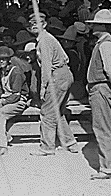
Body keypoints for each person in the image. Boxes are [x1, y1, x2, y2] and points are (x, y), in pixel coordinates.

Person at [27, 12, 79, 157]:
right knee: (58, 111)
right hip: (64, 74)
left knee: (47, 112)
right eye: (31, 24)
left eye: (37, 23)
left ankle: (47, 147)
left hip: (57, 75)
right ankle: (70, 143)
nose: (33, 26)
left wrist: (43, 87)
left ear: (44, 25)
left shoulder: (44, 40)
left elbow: (46, 66)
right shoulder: (46, 39)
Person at [85, 9, 111, 179]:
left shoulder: (106, 44)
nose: (92, 27)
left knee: (103, 128)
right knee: (102, 127)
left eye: (96, 24)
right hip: (100, 87)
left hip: (102, 88)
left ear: (104, 26)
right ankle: (107, 166)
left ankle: (108, 168)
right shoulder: (104, 42)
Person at [0, 46, 29, 157]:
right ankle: (5, 136)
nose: (1, 61)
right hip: (6, 98)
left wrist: (1, 104)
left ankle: (1, 147)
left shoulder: (15, 72)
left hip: (18, 100)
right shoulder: (1, 71)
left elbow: (16, 95)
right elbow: (0, 88)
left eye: (4, 59)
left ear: (9, 59)